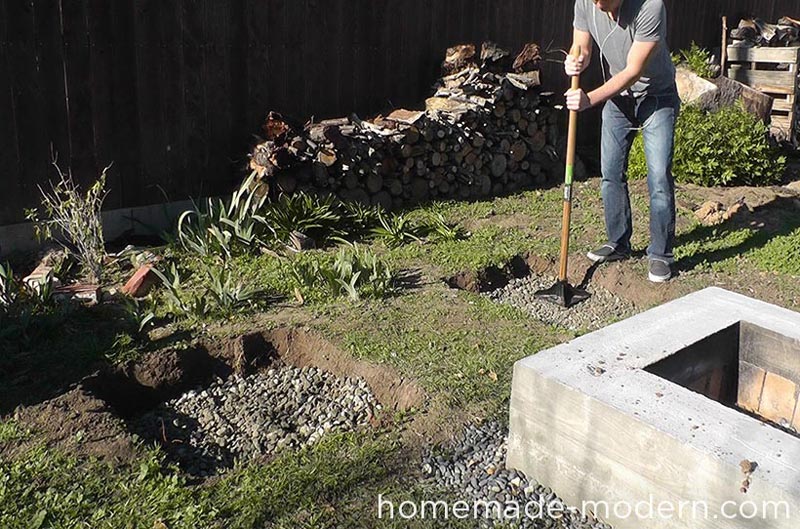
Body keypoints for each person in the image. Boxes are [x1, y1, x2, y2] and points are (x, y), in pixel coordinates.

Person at [565, 0, 679, 283]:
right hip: (619, 99)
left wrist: (589, 99)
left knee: (658, 178)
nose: (597, 3)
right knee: (611, 173)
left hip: (657, 97)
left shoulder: (651, 7)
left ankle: (660, 254)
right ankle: (618, 242)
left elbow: (633, 71)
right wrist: (575, 59)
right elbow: (583, 48)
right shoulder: (587, 3)